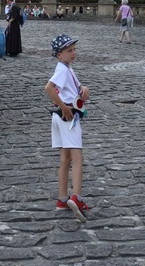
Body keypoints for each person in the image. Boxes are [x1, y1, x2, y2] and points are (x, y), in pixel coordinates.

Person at [44, 34, 91, 223]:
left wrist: (83, 89)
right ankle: (76, 198)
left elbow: (73, 89)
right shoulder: (62, 70)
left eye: (74, 49)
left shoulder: (66, 69)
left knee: (65, 158)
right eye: (69, 51)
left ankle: (62, 199)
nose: (73, 53)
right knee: (77, 157)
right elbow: (49, 88)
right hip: (68, 117)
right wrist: (65, 107)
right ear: (59, 54)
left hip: (58, 117)